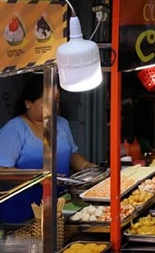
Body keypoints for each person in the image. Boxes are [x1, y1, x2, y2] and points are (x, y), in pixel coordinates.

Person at [0, 75, 94, 223]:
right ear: (28, 103)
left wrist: (88, 168)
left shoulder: (61, 124)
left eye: (56, 101)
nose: (53, 106)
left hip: (59, 203)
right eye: (47, 101)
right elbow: (2, 171)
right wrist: (38, 177)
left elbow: (71, 155)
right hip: (21, 209)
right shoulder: (15, 129)